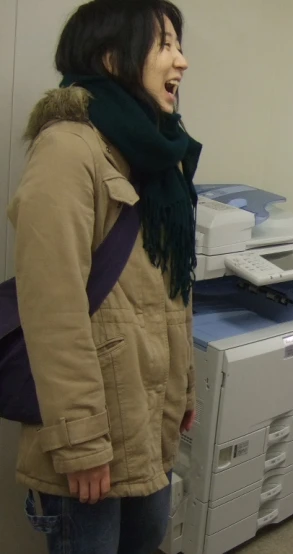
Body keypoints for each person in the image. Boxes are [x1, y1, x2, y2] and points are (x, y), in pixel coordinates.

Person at [8, 1, 200, 552]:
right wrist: (80, 443)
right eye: (165, 44)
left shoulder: (159, 152)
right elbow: (53, 312)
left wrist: (184, 386)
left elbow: (172, 288)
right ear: (113, 57)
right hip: (92, 435)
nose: (181, 61)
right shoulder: (68, 149)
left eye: (178, 44)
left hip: (148, 417)